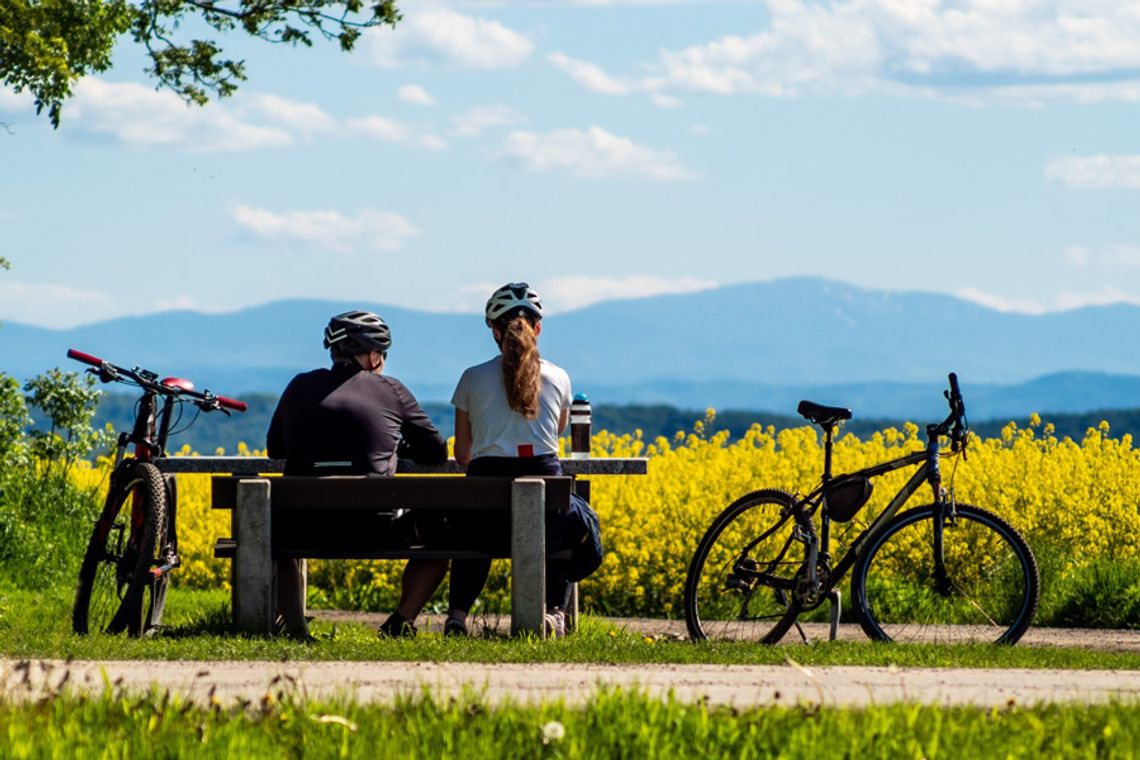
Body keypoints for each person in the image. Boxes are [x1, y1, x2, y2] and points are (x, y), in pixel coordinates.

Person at [382, 282, 603, 638]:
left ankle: (457, 617)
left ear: (494, 331)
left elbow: (463, 454)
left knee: (473, 530)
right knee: (576, 522)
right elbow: (557, 435)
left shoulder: (471, 378)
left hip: (484, 522)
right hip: (547, 518)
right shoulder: (559, 377)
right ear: (538, 328)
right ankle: (555, 613)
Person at [266, 309, 447, 638]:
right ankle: (399, 621)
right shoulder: (390, 389)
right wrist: (396, 446)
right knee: (444, 532)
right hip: (375, 529)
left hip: (303, 529)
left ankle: (295, 628)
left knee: (271, 535)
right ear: (375, 355)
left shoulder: (299, 386)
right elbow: (436, 451)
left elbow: (275, 448)